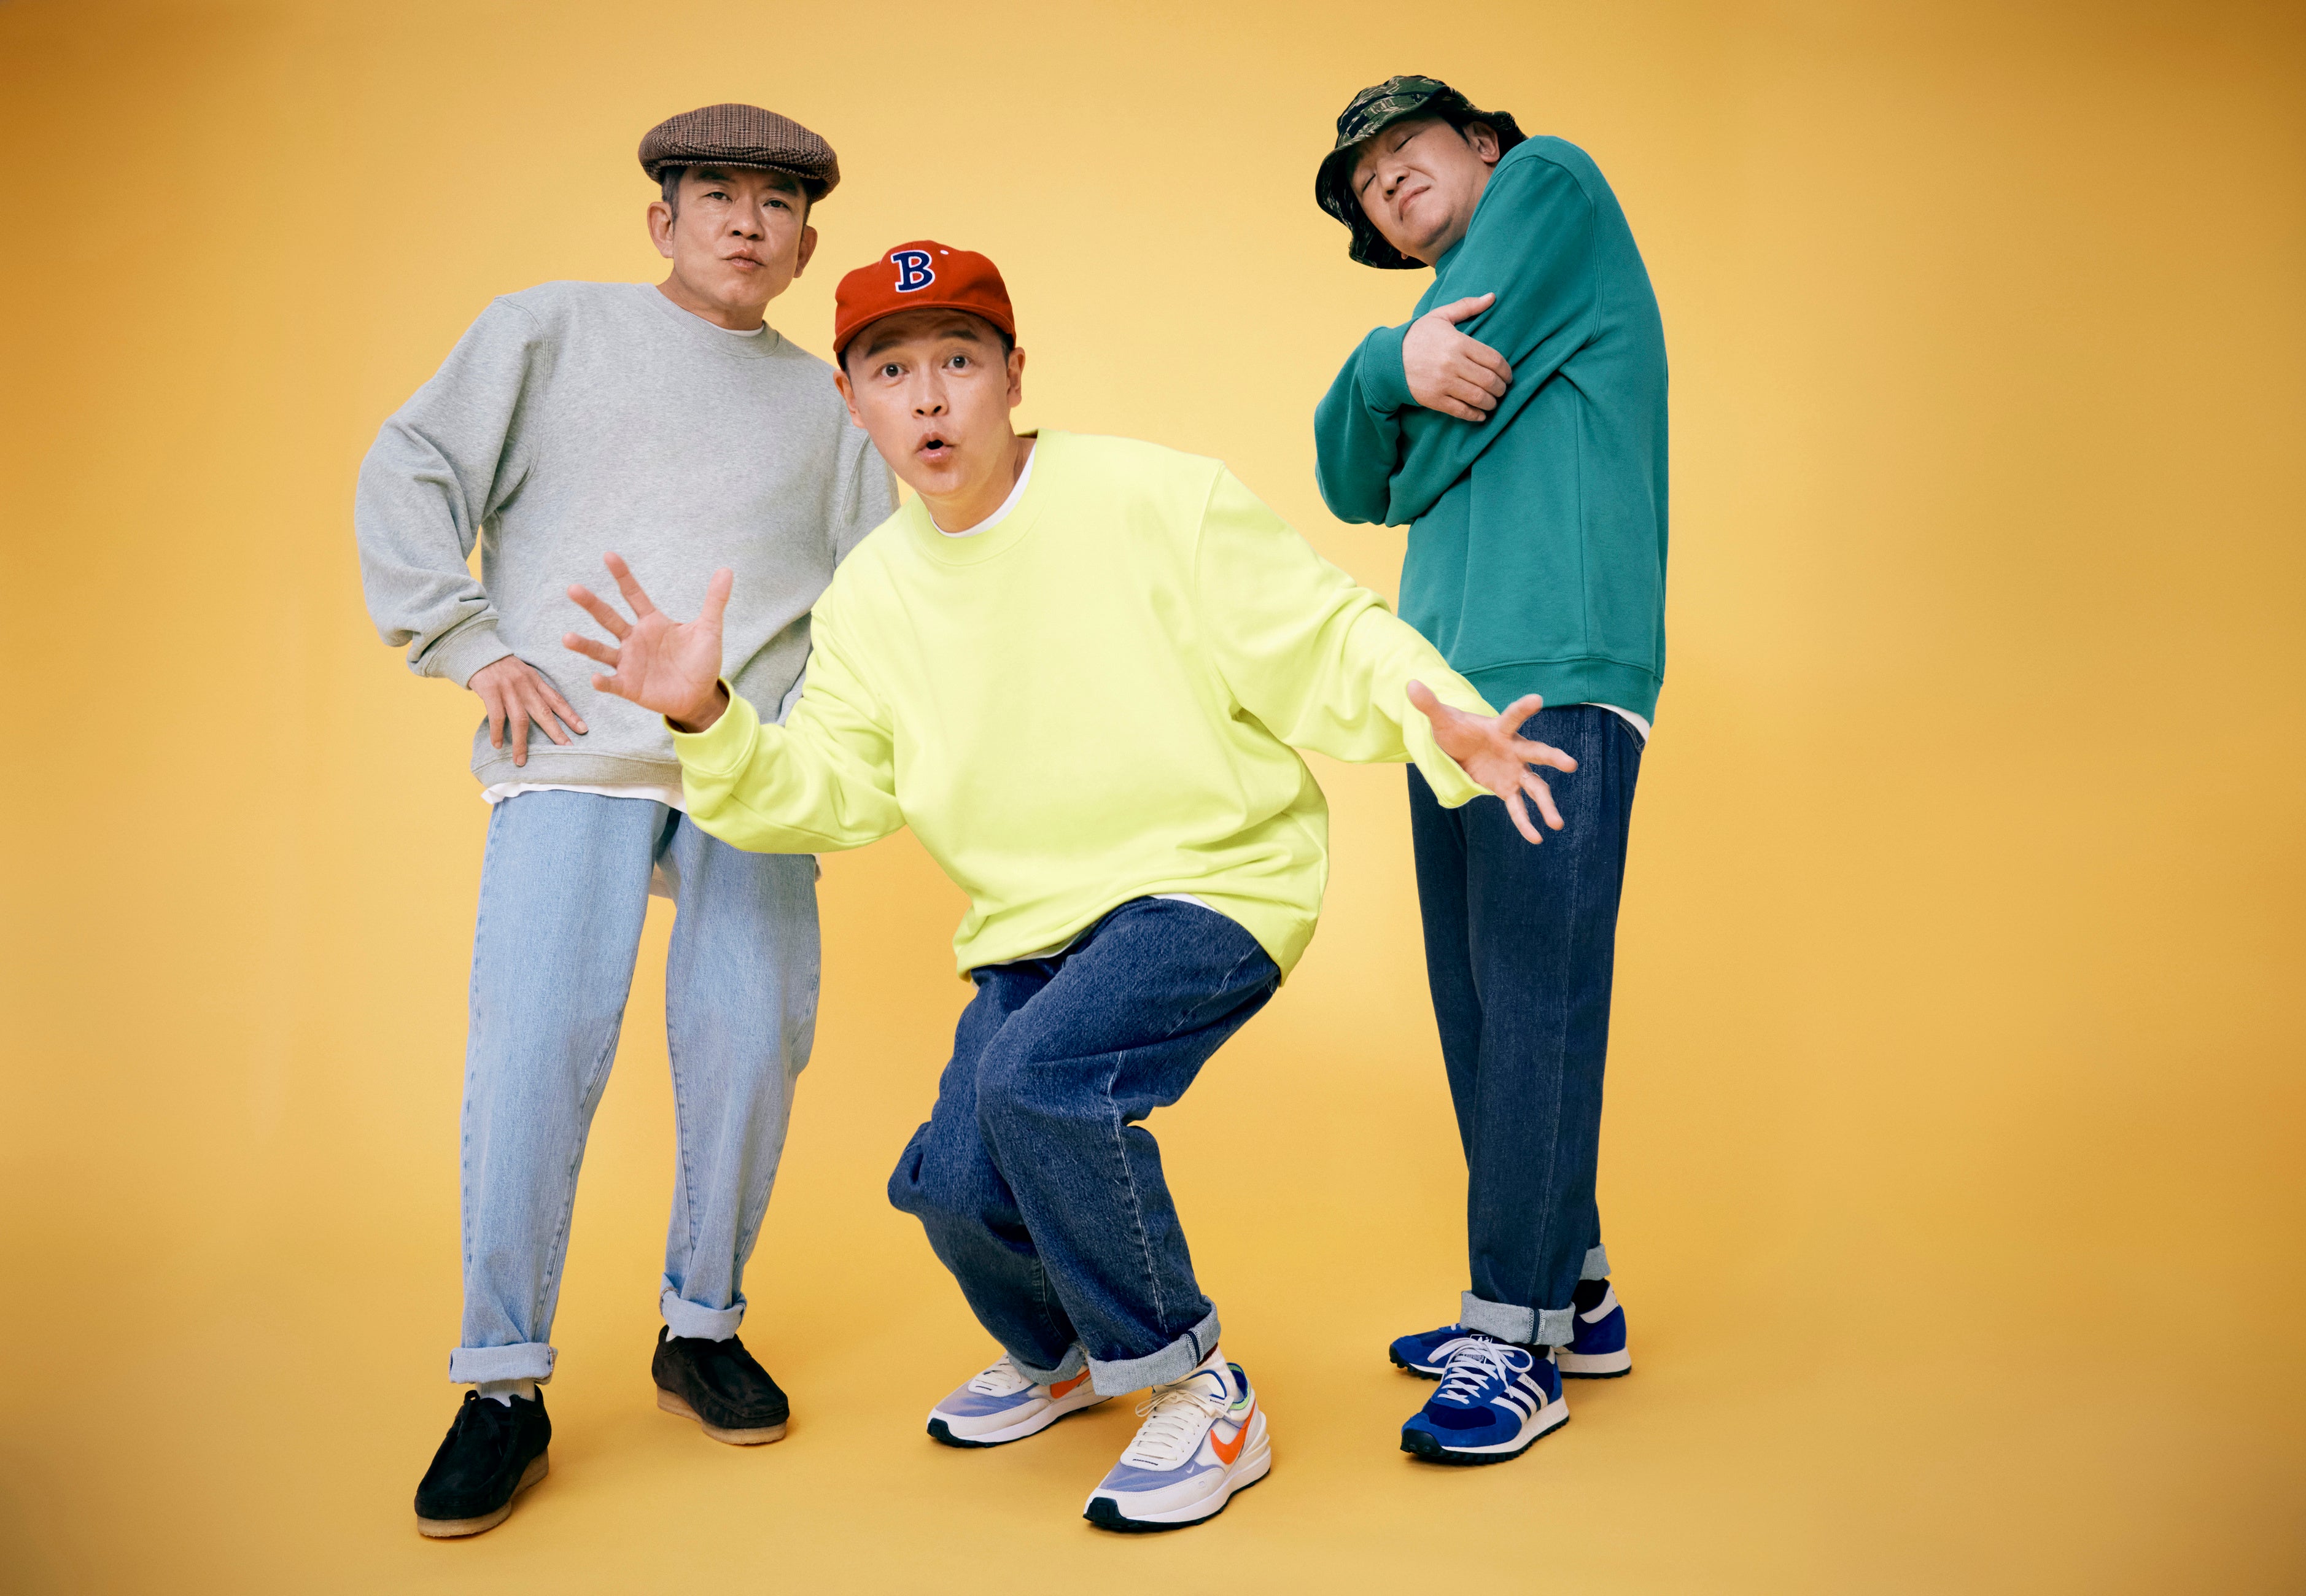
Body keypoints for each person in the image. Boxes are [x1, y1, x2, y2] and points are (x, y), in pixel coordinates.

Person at [560, 240, 1575, 1528]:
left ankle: (1197, 1386)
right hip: (1034, 926)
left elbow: (1321, 635)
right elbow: (833, 789)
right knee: (952, 1182)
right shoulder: (870, 597)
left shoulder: (1154, 497)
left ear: (1013, 375)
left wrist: (1445, 715)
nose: (931, 398)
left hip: (1213, 878)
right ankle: (1069, 1352)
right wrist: (708, 718)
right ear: (852, 401)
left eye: (959, 361)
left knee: (1038, 1082)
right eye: (893, 372)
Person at [353, 104, 895, 1537]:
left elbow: (874, 593)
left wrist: (814, 744)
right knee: (535, 1048)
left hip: (745, 767)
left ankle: (700, 1328)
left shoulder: (829, 407)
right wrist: (470, 642)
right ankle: (500, 1384)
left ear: (806, 244)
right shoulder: (549, 331)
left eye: (776, 204)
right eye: (716, 194)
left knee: (752, 1036)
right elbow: (411, 467)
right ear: (662, 218)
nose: (746, 222)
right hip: (575, 749)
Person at [1310, 75, 1670, 1464]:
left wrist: (1402, 410)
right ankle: (1573, 1291)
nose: (1389, 179)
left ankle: (1512, 1334)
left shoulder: (1552, 186)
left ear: (1484, 144)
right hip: (1449, 698)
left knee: (1534, 998)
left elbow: (1395, 475)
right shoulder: (1429, 320)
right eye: (1366, 183)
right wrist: (1385, 373)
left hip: (1557, 671)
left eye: (1410, 148)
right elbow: (1354, 482)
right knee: (1480, 1006)